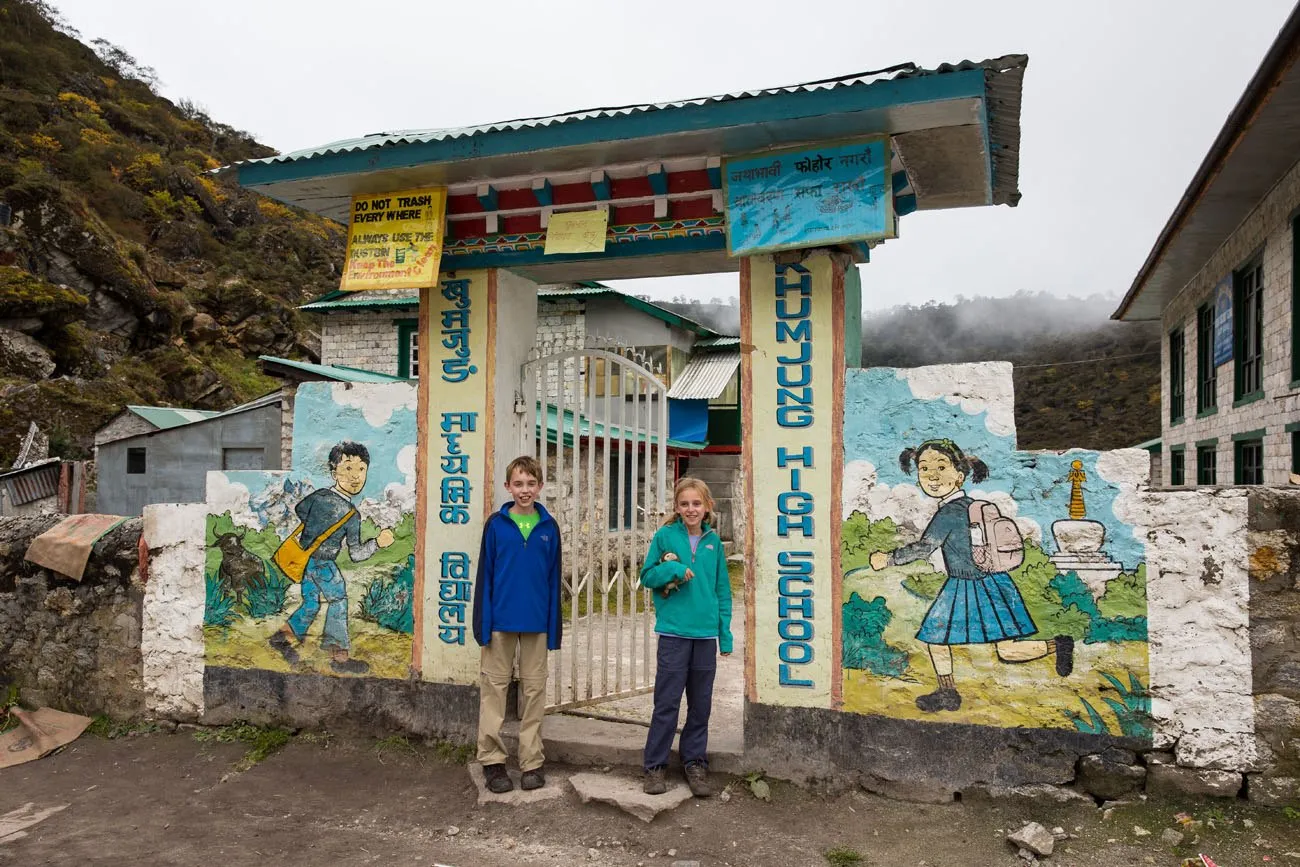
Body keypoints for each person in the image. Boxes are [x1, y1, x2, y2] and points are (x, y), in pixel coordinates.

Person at [868, 438, 1073, 713]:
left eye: (941, 468)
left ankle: (948, 691)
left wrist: (888, 559)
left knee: (936, 638)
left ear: (960, 475)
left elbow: (925, 547)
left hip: (966, 586)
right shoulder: (972, 505)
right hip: (996, 583)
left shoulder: (950, 512)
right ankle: (1057, 645)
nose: (932, 476)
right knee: (1004, 649)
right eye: (924, 469)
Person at [472, 455, 562, 794]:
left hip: (537, 622)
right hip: (500, 622)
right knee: (494, 690)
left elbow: (554, 580)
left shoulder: (548, 528)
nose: (524, 490)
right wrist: (483, 622)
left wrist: (554, 627)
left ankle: (531, 762)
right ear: (508, 487)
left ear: (539, 487)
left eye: (531, 483)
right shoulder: (496, 525)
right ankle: (493, 762)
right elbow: (486, 576)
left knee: (534, 691)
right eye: (518, 483)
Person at [639, 477, 733, 797]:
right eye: (684, 504)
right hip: (674, 633)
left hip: (705, 635)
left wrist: (726, 634)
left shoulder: (714, 543)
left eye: (696, 504)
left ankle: (694, 762)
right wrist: (674, 571)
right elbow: (648, 575)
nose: (690, 509)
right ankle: (655, 766)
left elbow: (722, 590)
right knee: (666, 702)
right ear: (676, 508)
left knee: (701, 705)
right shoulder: (665, 536)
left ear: (707, 507)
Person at [269, 441, 395, 675]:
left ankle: (282, 637)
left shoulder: (318, 496)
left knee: (311, 603)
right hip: (323, 563)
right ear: (333, 470)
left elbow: (300, 510)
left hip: (305, 561)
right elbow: (356, 554)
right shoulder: (351, 515)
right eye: (348, 468)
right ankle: (339, 657)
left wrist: (314, 530)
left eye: (361, 469)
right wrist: (378, 542)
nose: (356, 476)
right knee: (338, 600)